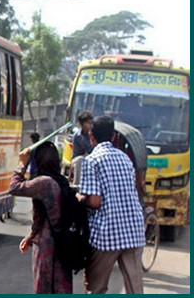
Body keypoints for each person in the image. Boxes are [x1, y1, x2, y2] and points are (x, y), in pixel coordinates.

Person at [76, 116, 145, 294]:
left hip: (106, 235)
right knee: (135, 289)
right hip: (133, 231)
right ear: (114, 136)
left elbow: (94, 202)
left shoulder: (92, 161)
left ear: (92, 136)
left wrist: (78, 197)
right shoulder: (125, 159)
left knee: (95, 289)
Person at [9, 142, 73, 294]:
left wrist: (21, 164)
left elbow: (14, 187)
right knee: (60, 288)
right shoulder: (61, 180)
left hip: (47, 245)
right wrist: (31, 236)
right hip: (62, 242)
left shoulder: (44, 183)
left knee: (44, 287)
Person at [70, 110, 94, 184]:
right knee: (78, 161)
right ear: (81, 124)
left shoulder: (95, 134)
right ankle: (77, 187)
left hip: (94, 158)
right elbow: (76, 154)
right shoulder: (77, 136)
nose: (89, 125)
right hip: (83, 159)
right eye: (87, 123)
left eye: (91, 123)